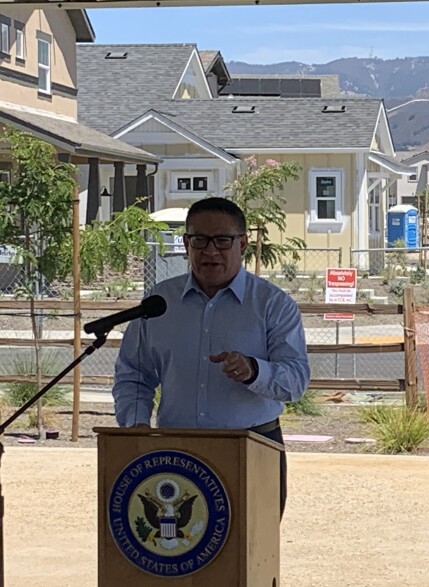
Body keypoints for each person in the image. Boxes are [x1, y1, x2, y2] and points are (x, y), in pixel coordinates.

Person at [112, 197, 311, 516]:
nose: (210, 251)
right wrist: (136, 426)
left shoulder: (272, 305)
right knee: (176, 554)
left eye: (222, 240)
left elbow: (296, 382)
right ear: (186, 243)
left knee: (252, 559)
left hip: (254, 447)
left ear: (242, 243)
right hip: (174, 453)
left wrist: (253, 371)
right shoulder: (159, 303)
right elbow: (134, 375)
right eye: (199, 240)